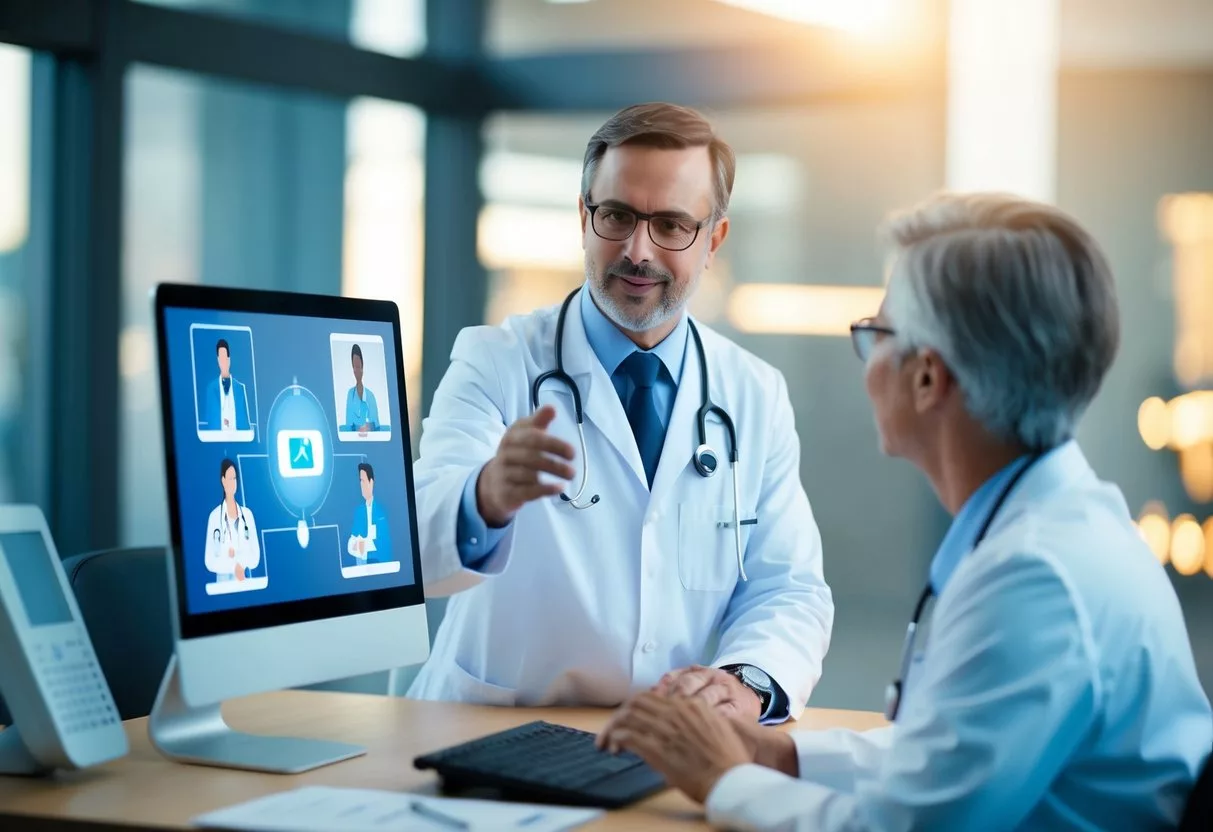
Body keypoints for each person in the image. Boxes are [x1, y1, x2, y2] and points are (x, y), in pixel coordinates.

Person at [597, 192, 1213, 830]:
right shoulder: (1067, 529)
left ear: (927, 378)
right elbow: (954, 748)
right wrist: (777, 752)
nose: (866, 363)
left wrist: (727, 780)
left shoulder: (1037, 579)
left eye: (877, 334)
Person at [409, 102, 834, 722]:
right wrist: (486, 496)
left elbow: (786, 585)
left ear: (713, 238)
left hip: (654, 744)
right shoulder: (496, 361)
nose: (638, 251)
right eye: (617, 216)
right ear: (584, 217)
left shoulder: (753, 394)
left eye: (671, 225)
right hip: (487, 728)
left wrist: (744, 681)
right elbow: (412, 546)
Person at [204, 458, 261, 585]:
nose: (233, 483)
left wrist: (240, 562)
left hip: (244, 584)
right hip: (223, 588)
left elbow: (255, 557)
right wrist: (232, 566)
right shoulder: (214, 517)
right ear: (223, 481)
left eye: (235, 478)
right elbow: (209, 561)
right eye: (230, 478)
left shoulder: (247, 515)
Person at [204, 338, 251, 433]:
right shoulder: (211, 389)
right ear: (217, 360)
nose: (223, 361)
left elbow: (244, 424)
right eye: (220, 358)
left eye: (225, 357)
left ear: (229, 359)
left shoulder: (240, 389)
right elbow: (210, 423)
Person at [348, 462, 391, 564]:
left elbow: (385, 543)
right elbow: (351, 544)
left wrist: (363, 546)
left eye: (362, 481)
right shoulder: (359, 512)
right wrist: (360, 546)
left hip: (381, 564)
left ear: (371, 482)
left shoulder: (382, 509)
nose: (361, 485)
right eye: (360, 482)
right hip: (362, 564)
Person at [344, 344, 380, 435]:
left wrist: (368, 427)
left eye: (359, 367)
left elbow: (376, 425)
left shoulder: (370, 396)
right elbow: (348, 425)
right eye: (354, 367)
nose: (357, 371)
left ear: (362, 368)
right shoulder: (350, 394)